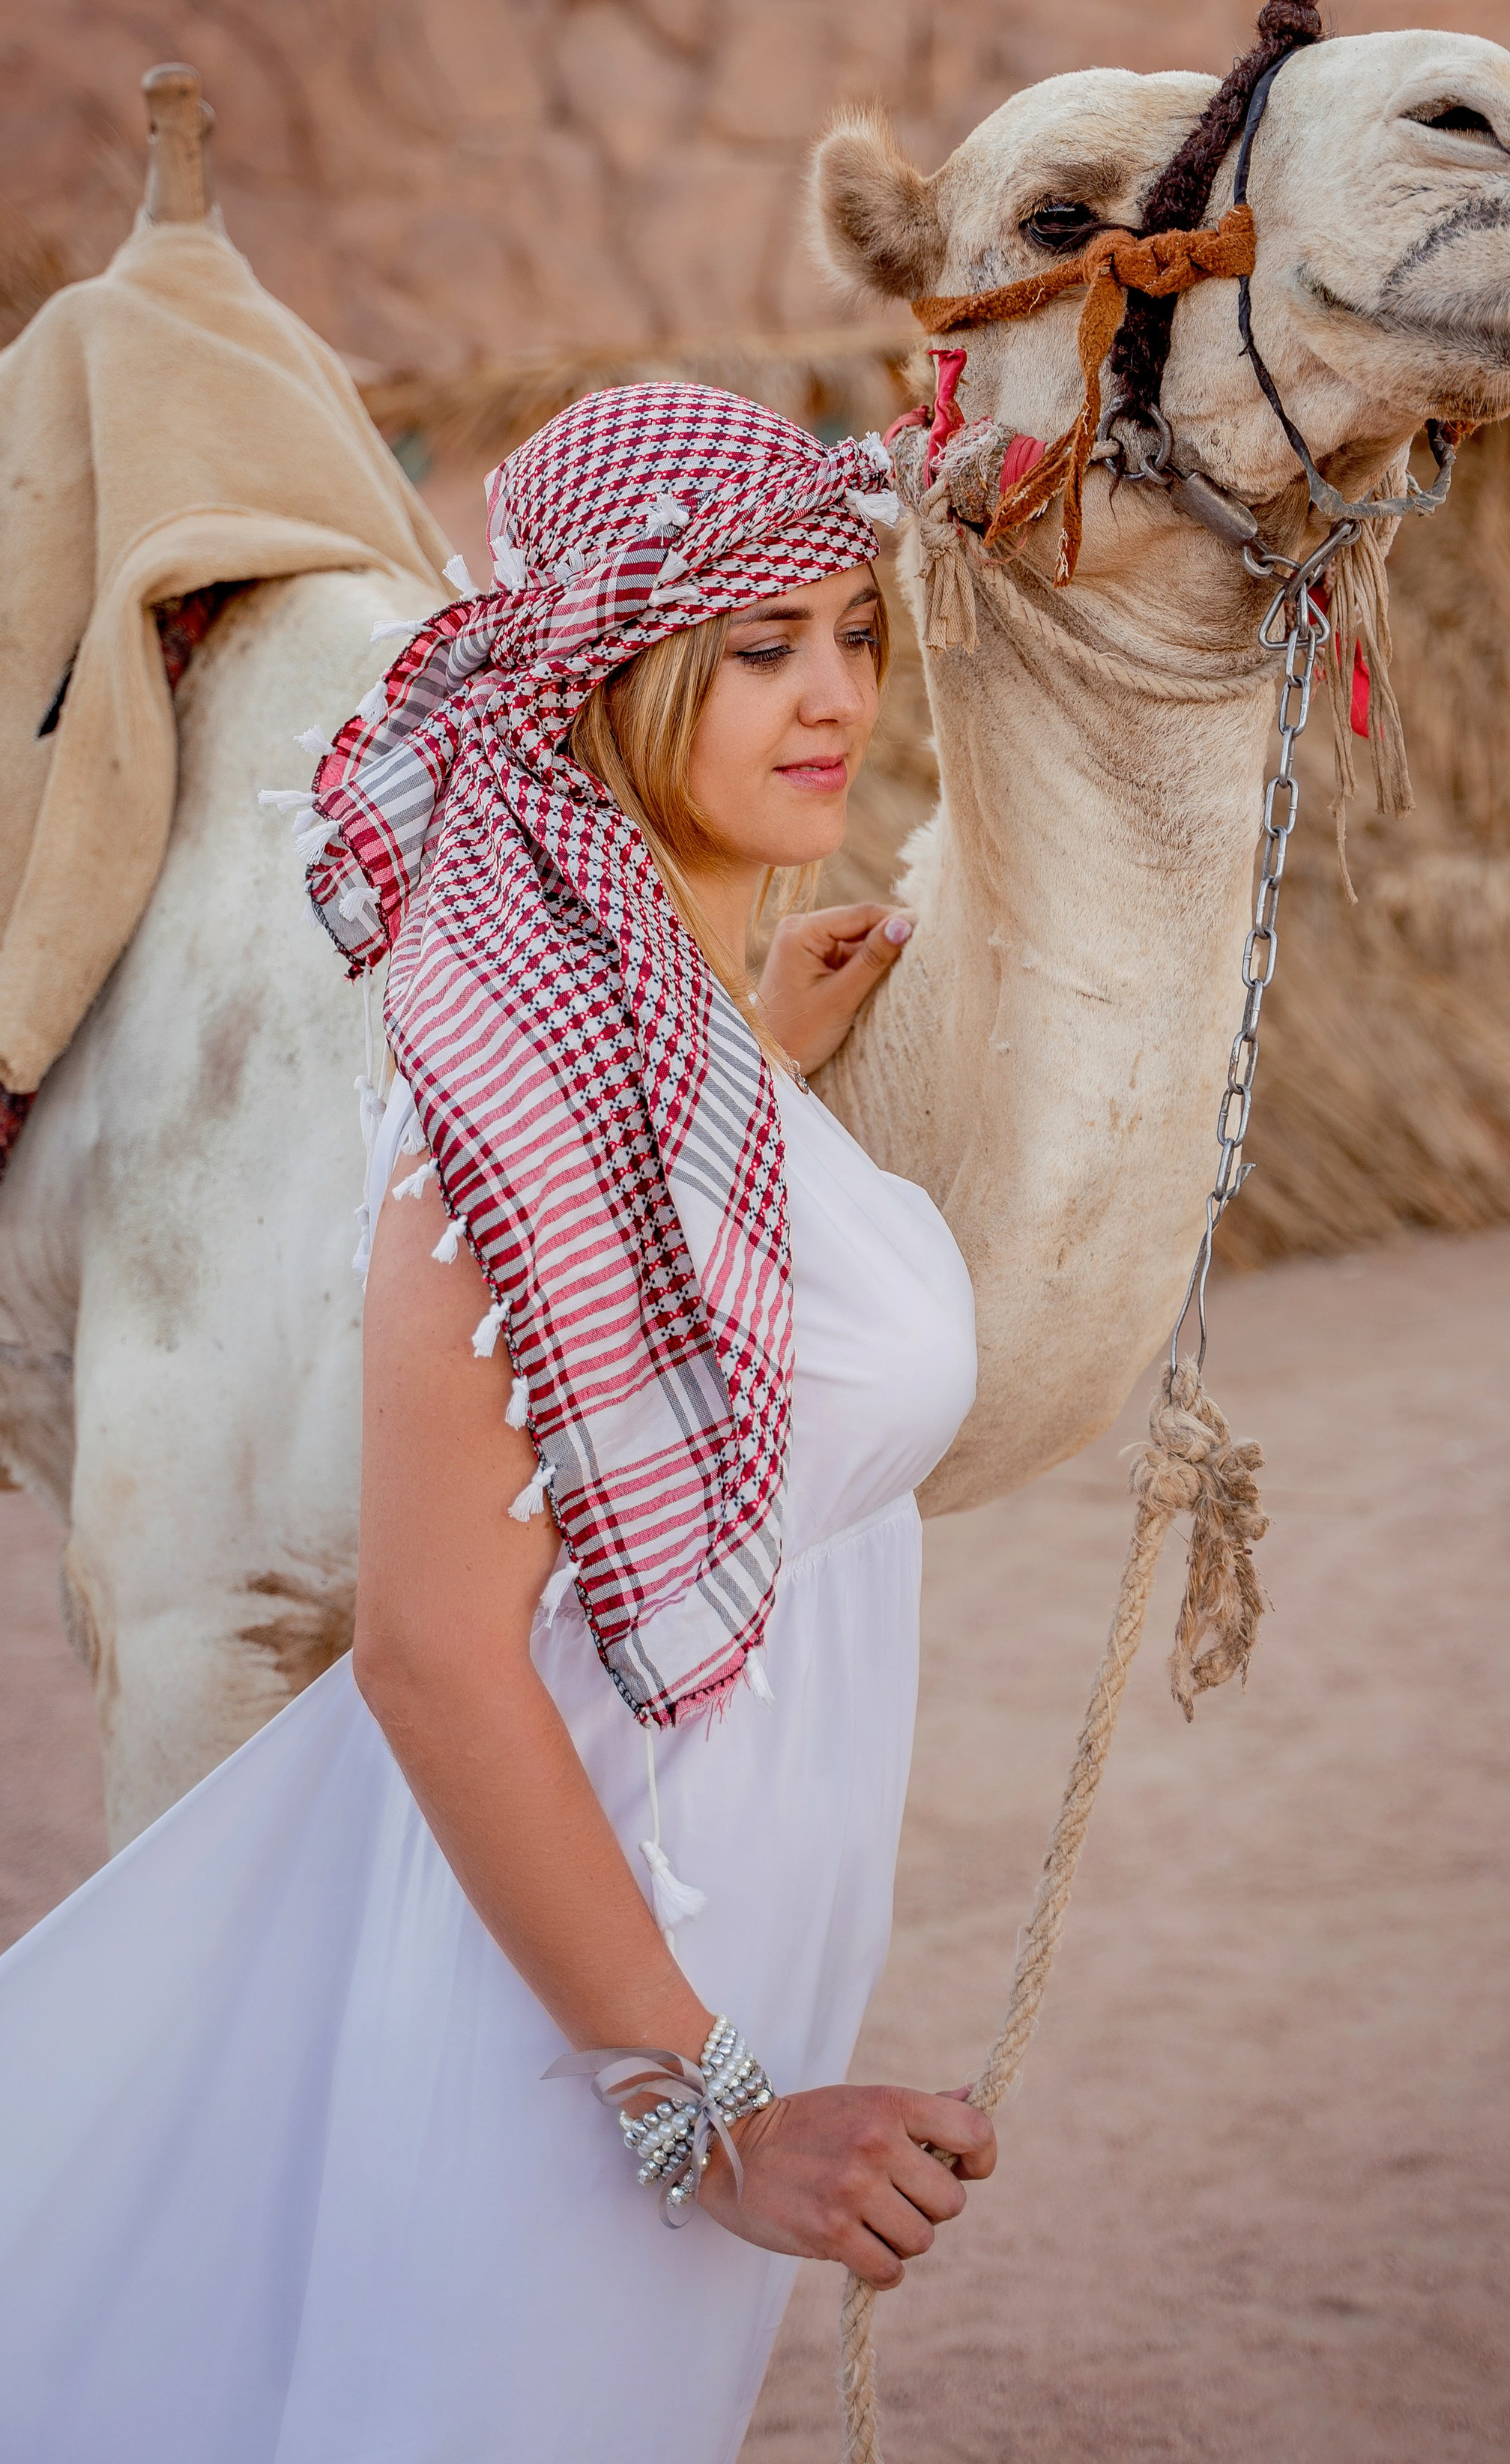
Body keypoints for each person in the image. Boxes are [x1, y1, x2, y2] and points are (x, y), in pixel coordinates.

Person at [0, 384, 992, 2464]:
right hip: (568, 2027)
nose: (838, 697)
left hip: (689, 1953)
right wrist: (704, 2116)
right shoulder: (521, 1099)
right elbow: (435, 1654)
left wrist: (748, 1071)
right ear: (611, 675)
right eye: (761, 648)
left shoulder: (659, 1036)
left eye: (857, 631)